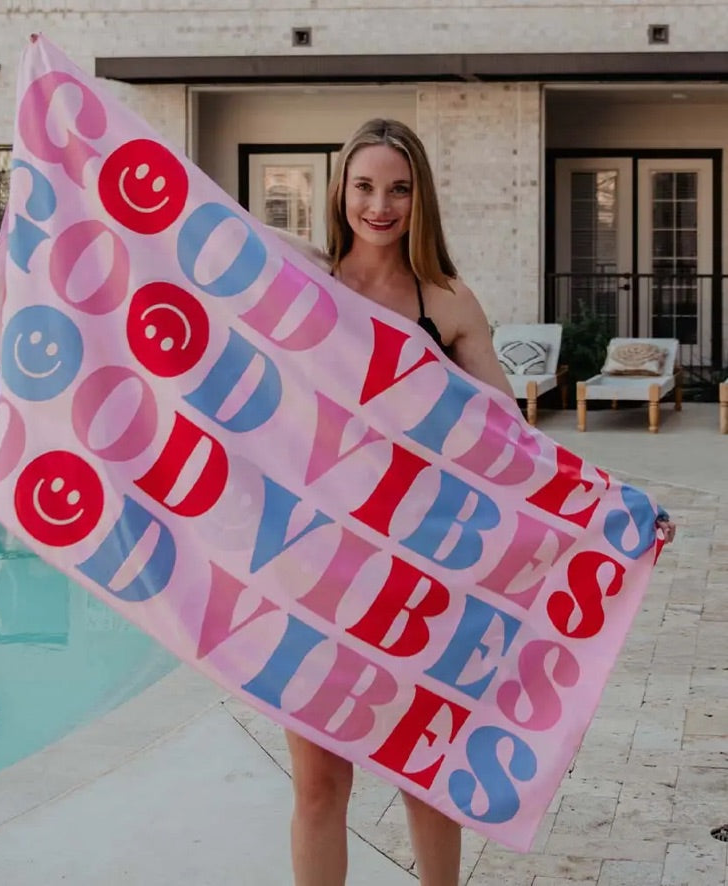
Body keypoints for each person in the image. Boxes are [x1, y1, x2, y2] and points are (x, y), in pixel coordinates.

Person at [277, 118, 677, 886]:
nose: (380, 206)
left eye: (399, 189)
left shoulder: (447, 303)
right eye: (364, 187)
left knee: (428, 777)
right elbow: (201, 231)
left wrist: (613, 509)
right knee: (320, 786)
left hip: (420, 575)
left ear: (421, 197)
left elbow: (514, 445)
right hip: (318, 571)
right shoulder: (305, 279)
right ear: (340, 191)